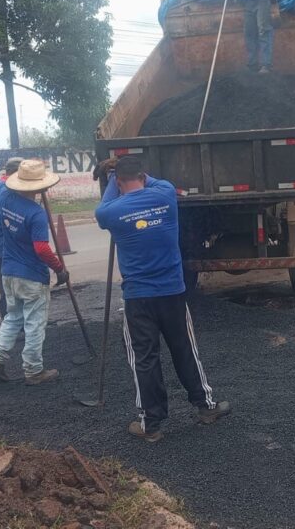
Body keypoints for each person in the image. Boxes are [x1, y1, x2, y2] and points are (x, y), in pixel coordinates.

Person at [94, 156, 230, 442]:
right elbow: (149, 181)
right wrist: (123, 170)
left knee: (144, 359)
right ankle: (205, 407)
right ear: (143, 176)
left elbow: (104, 207)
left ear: (119, 183)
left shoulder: (111, 212)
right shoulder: (165, 194)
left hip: (138, 298)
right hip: (173, 292)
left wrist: (109, 177)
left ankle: (151, 425)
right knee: (184, 349)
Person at [0, 160, 68, 386]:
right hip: (31, 276)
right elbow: (41, 248)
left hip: (9, 271)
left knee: (12, 318)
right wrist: (59, 269)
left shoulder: (5, 200)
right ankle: (33, 370)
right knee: (34, 323)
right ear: (39, 186)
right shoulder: (35, 213)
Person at [224, 0, 277, 74]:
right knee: (249, 32)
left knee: (263, 30)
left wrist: (274, 6)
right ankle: (252, 64)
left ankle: (266, 65)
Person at [0, 156, 24, 318]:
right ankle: (12, 327)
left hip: (0, 244)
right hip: (7, 246)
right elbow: (13, 220)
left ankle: (14, 325)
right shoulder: (6, 190)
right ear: (15, 173)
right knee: (11, 290)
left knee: (8, 288)